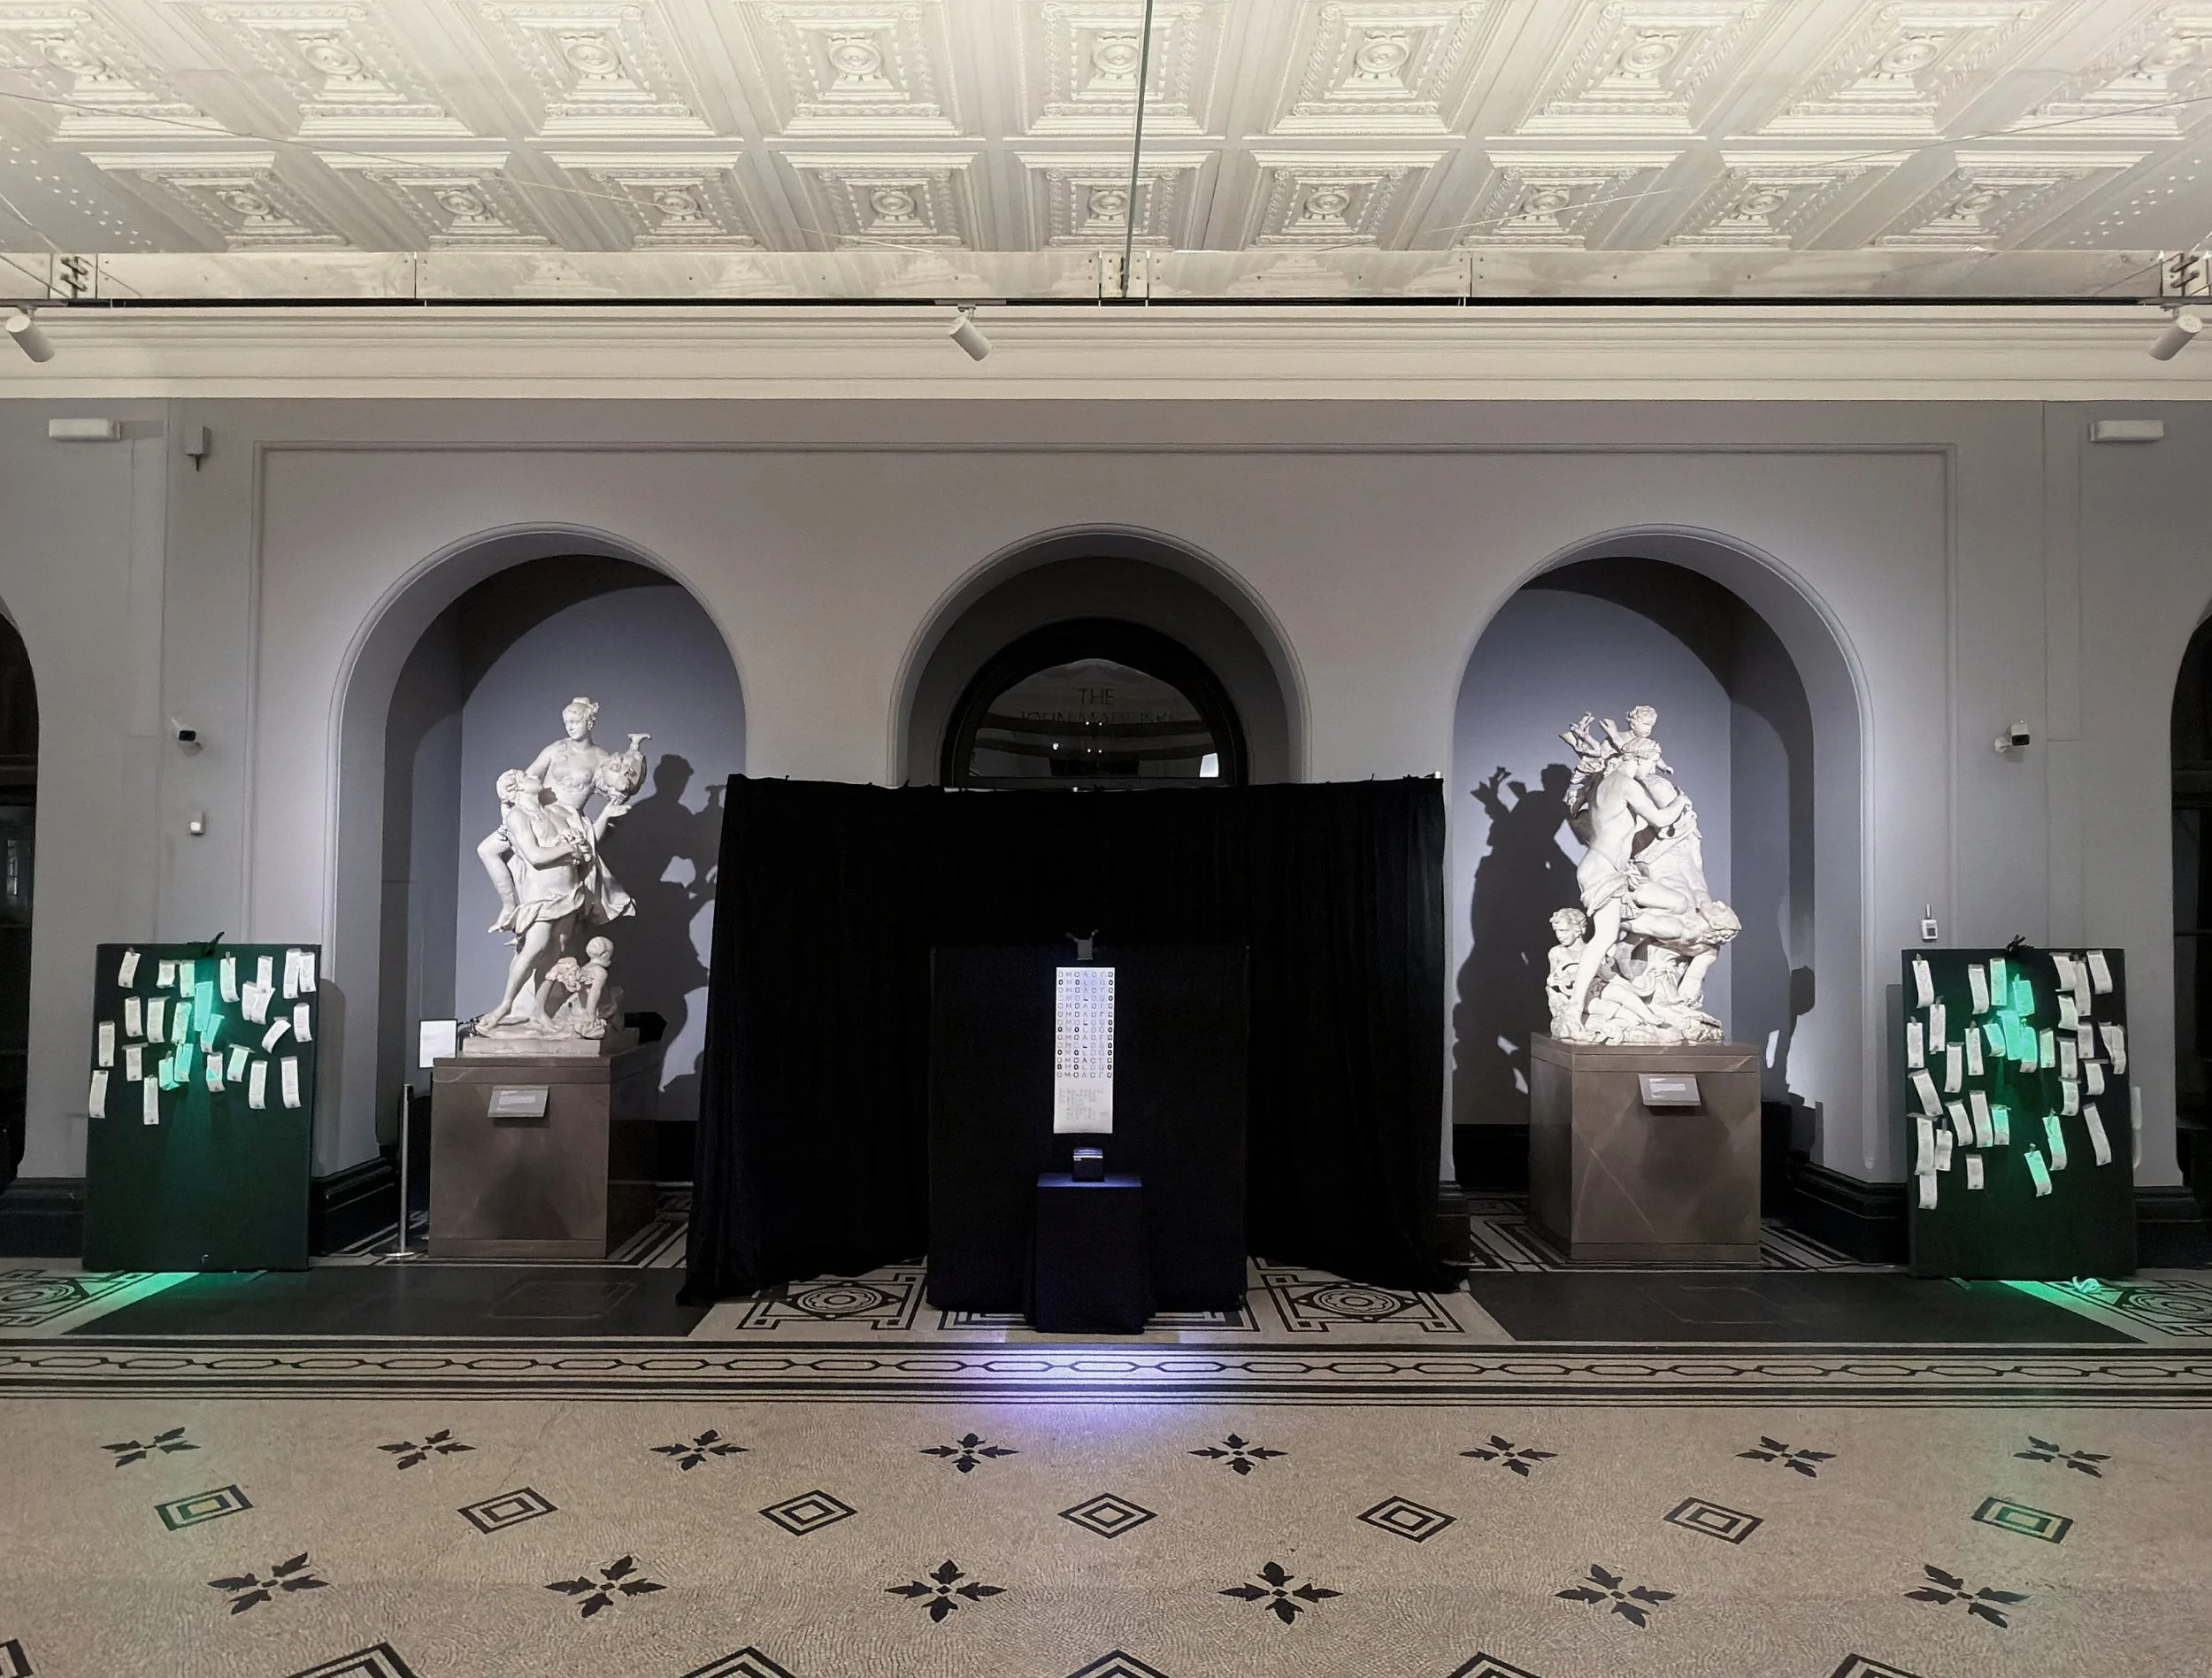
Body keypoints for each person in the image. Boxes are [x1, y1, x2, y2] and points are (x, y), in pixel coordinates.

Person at [474, 771, 589, 1031]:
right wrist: (569, 848)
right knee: (534, 948)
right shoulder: (518, 816)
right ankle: (505, 1005)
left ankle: (539, 1010)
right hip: (542, 893)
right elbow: (535, 856)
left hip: (568, 890)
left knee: (557, 950)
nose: (532, 775)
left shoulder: (554, 812)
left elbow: (576, 848)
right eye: (524, 776)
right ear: (514, 789)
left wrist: (578, 850)